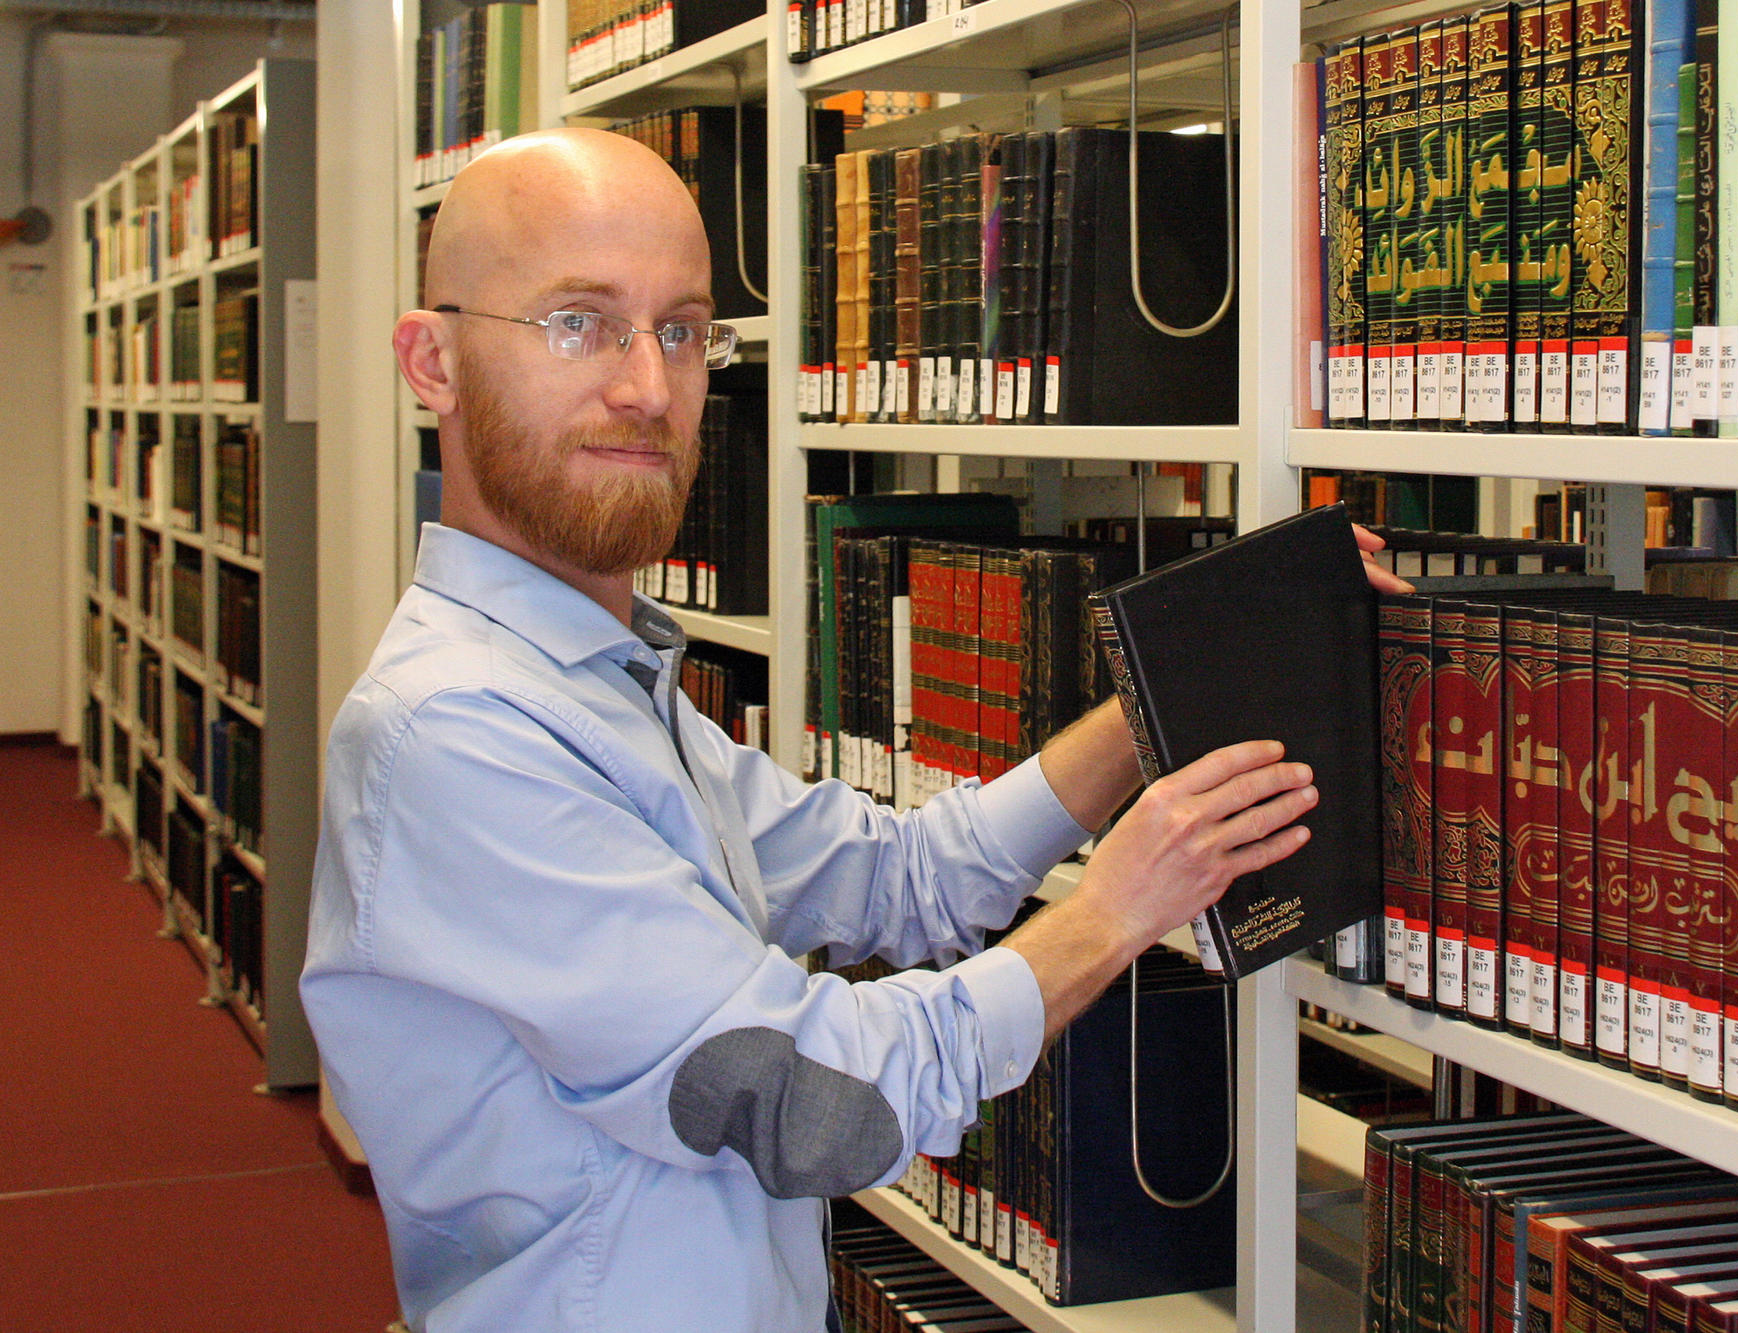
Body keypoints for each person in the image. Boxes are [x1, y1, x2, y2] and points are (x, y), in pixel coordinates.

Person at [302, 127, 1409, 1332]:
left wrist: (1166, 696)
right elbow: (810, 1100)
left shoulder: (596, 683)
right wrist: (1114, 913)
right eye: (578, 321)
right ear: (433, 361)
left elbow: (903, 877)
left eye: (679, 330)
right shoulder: (457, 736)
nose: (647, 387)